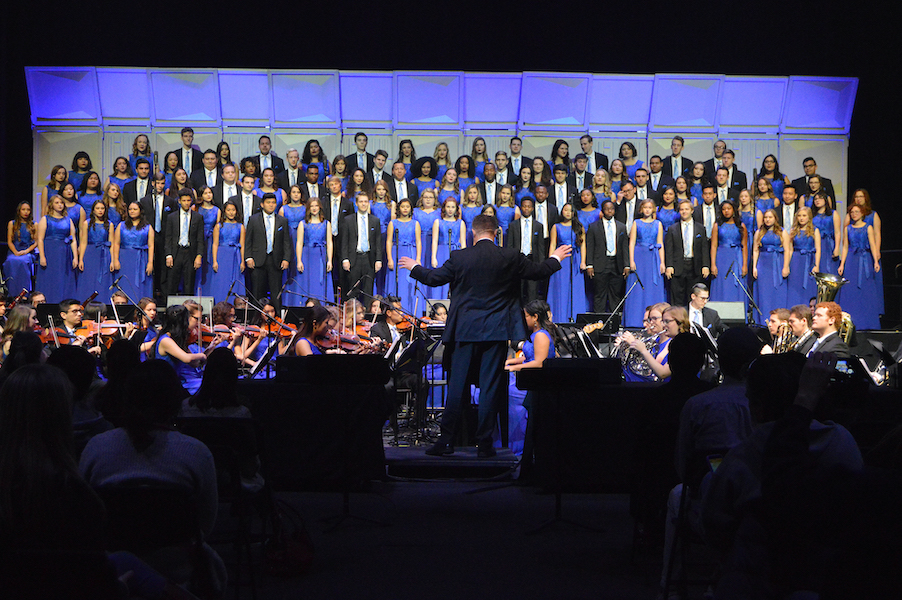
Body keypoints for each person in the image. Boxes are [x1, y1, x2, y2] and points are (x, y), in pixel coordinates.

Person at [400, 214, 570, 457]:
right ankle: (485, 445)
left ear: (473, 232)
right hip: (495, 330)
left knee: (457, 386)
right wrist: (556, 257)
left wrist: (413, 267)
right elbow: (538, 271)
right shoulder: (510, 256)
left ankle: (446, 441)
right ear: (497, 232)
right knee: (489, 387)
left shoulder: (460, 256)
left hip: (464, 331)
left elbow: (434, 278)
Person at [245, 193, 292, 312]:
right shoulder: (253, 219)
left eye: (273, 203)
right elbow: (248, 240)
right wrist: (248, 257)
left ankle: (276, 321)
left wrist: (286, 259)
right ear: (262, 204)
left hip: (276, 260)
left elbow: (286, 241)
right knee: (257, 291)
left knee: (276, 292)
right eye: (268, 202)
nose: (271, 205)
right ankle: (257, 319)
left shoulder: (283, 220)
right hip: (257, 260)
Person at [838, 204, 882, 329]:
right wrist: (842, 264)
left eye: (857, 212)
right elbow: (845, 247)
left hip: (865, 260)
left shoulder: (868, 227)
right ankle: (849, 322)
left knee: (866, 290)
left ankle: (868, 322)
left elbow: (873, 245)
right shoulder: (848, 229)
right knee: (850, 290)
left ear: (862, 213)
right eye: (852, 212)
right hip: (852, 260)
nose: (854, 214)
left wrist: (875, 261)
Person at [624, 199, 666, 328]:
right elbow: (631, 243)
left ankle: (655, 320)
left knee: (652, 287)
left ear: (653, 209)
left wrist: (662, 262)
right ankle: (635, 320)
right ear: (641, 209)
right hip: (639, 256)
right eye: (645, 207)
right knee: (637, 288)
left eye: (650, 207)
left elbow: (660, 244)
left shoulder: (658, 224)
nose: (647, 210)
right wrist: (631, 260)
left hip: (653, 259)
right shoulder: (636, 223)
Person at [664, 200, 710, 308]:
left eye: (686, 209)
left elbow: (704, 248)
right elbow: (669, 249)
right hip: (678, 266)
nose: (684, 212)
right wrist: (669, 265)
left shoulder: (700, 228)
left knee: (693, 297)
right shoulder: (672, 229)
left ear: (692, 211)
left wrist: (705, 266)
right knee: (677, 298)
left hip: (695, 266)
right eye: (681, 209)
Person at [585, 199, 629, 313]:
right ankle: (599, 323)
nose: (609, 211)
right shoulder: (593, 226)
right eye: (606, 209)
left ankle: (613, 323)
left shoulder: (621, 226)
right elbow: (590, 247)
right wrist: (589, 264)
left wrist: (626, 265)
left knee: (615, 295)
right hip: (600, 264)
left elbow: (625, 247)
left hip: (617, 264)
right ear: (602, 210)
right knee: (599, 295)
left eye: (611, 209)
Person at [546, 202, 587, 322]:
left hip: (575, 259)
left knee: (575, 289)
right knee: (560, 288)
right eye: (565, 210)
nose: (568, 213)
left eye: (570, 210)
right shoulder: (556, 227)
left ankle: (574, 317)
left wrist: (583, 261)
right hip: (561, 259)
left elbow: (583, 245)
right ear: (561, 212)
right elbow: (552, 244)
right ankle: (559, 317)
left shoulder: (579, 227)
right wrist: (551, 261)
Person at [626, 305, 688, 382]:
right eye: (663, 321)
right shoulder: (656, 341)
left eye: (667, 321)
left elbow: (663, 373)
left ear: (679, 322)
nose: (664, 325)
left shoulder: (685, 344)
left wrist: (643, 350)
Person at [340, 192, 382, 302]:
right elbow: (344, 242)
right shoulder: (348, 220)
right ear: (356, 203)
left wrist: (378, 260)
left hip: (369, 259)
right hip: (354, 259)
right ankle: (353, 315)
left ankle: (367, 315)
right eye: (361, 202)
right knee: (353, 289)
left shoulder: (375, 220)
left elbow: (378, 242)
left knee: (368, 290)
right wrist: (345, 259)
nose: (363, 204)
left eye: (365, 202)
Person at [35, 195, 78, 302]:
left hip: (64, 253)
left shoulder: (68, 220)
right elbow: (40, 239)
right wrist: (42, 257)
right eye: (57, 203)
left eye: (61, 203)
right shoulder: (45, 219)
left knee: (64, 279)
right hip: (50, 252)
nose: (60, 205)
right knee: (49, 278)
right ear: (52, 205)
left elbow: (73, 240)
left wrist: (75, 257)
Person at [752, 209, 791, 319]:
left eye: (770, 217)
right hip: (763, 265)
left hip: (777, 265)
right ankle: (763, 321)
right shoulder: (759, 232)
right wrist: (754, 267)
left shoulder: (782, 232)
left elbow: (787, 250)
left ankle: (779, 319)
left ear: (775, 218)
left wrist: (786, 266)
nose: (768, 220)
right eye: (766, 217)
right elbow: (755, 250)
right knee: (763, 294)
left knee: (778, 293)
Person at [164, 189, 203, 298]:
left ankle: (188, 309)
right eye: (184, 200)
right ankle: (171, 310)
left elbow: (200, 239)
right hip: (176, 253)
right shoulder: (172, 217)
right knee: (172, 283)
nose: (186, 203)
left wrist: (199, 256)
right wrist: (168, 255)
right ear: (179, 201)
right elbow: (168, 238)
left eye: (188, 200)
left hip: (190, 253)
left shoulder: (198, 217)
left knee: (189, 283)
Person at [293, 197, 332, 305]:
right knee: (307, 283)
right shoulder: (303, 224)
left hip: (321, 256)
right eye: (312, 206)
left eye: (316, 206)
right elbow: (299, 243)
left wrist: (329, 260)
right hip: (307, 256)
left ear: (320, 207)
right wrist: (299, 260)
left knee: (320, 284)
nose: (314, 208)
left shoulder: (326, 224)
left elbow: (329, 243)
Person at [709, 200, 748, 307]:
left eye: (729, 208)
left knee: (735, 285)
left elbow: (744, 246)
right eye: (724, 209)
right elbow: (713, 246)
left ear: (734, 210)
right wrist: (713, 264)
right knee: (722, 284)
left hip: (736, 257)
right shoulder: (717, 226)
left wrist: (744, 265)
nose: (726, 211)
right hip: (721, 258)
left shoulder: (741, 226)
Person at [75, 200, 114, 300]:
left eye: (102, 208)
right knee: (88, 280)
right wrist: (81, 259)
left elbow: (112, 244)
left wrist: (112, 261)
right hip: (90, 254)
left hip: (104, 254)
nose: (100, 211)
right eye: (97, 208)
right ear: (93, 210)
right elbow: (83, 242)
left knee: (103, 281)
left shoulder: (109, 224)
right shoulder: (86, 223)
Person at [209, 200, 245, 303]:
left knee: (235, 282)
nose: (231, 212)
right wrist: (215, 261)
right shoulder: (219, 226)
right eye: (228, 210)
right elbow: (215, 244)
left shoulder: (240, 226)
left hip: (235, 256)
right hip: (222, 256)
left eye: (233, 210)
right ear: (224, 211)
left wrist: (242, 261)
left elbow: (242, 245)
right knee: (221, 282)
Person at [431, 197, 466, 298]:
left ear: (456, 209)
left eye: (452, 207)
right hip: (442, 252)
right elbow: (435, 241)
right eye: (448, 207)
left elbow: (463, 242)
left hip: (456, 252)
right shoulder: (438, 222)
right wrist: (434, 257)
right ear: (444, 208)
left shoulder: (460, 223)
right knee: (441, 277)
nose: (450, 209)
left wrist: (464, 259)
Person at [786, 207, 820, 308]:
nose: (801, 218)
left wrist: (816, 265)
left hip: (809, 261)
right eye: (799, 216)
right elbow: (790, 249)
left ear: (809, 217)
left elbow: (818, 249)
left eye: (804, 216)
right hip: (796, 261)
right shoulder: (793, 231)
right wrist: (787, 265)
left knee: (809, 288)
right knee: (794, 287)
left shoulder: (815, 230)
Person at [4, 201, 37, 295]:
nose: (26, 212)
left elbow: (36, 242)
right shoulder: (12, 223)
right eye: (23, 209)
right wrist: (15, 252)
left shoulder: (34, 224)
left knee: (23, 262)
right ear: (19, 211)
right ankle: (12, 293)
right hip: (14, 251)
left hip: (28, 251)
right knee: (10, 261)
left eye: (28, 210)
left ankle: (24, 293)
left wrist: (26, 251)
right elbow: (10, 241)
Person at [193, 186, 220, 297]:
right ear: (201, 195)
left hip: (211, 240)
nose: (208, 195)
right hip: (198, 238)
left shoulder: (217, 210)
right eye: (205, 193)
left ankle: (209, 292)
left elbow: (218, 226)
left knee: (208, 266)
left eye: (210, 193)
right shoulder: (195, 208)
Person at [812, 190, 841, 275]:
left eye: (820, 198)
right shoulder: (812, 215)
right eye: (815, 199)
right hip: (815, 244)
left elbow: (837, 232)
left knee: (829, 269)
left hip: (828, 245)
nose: (817, 200)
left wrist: (836, 248)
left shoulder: (833, 213)